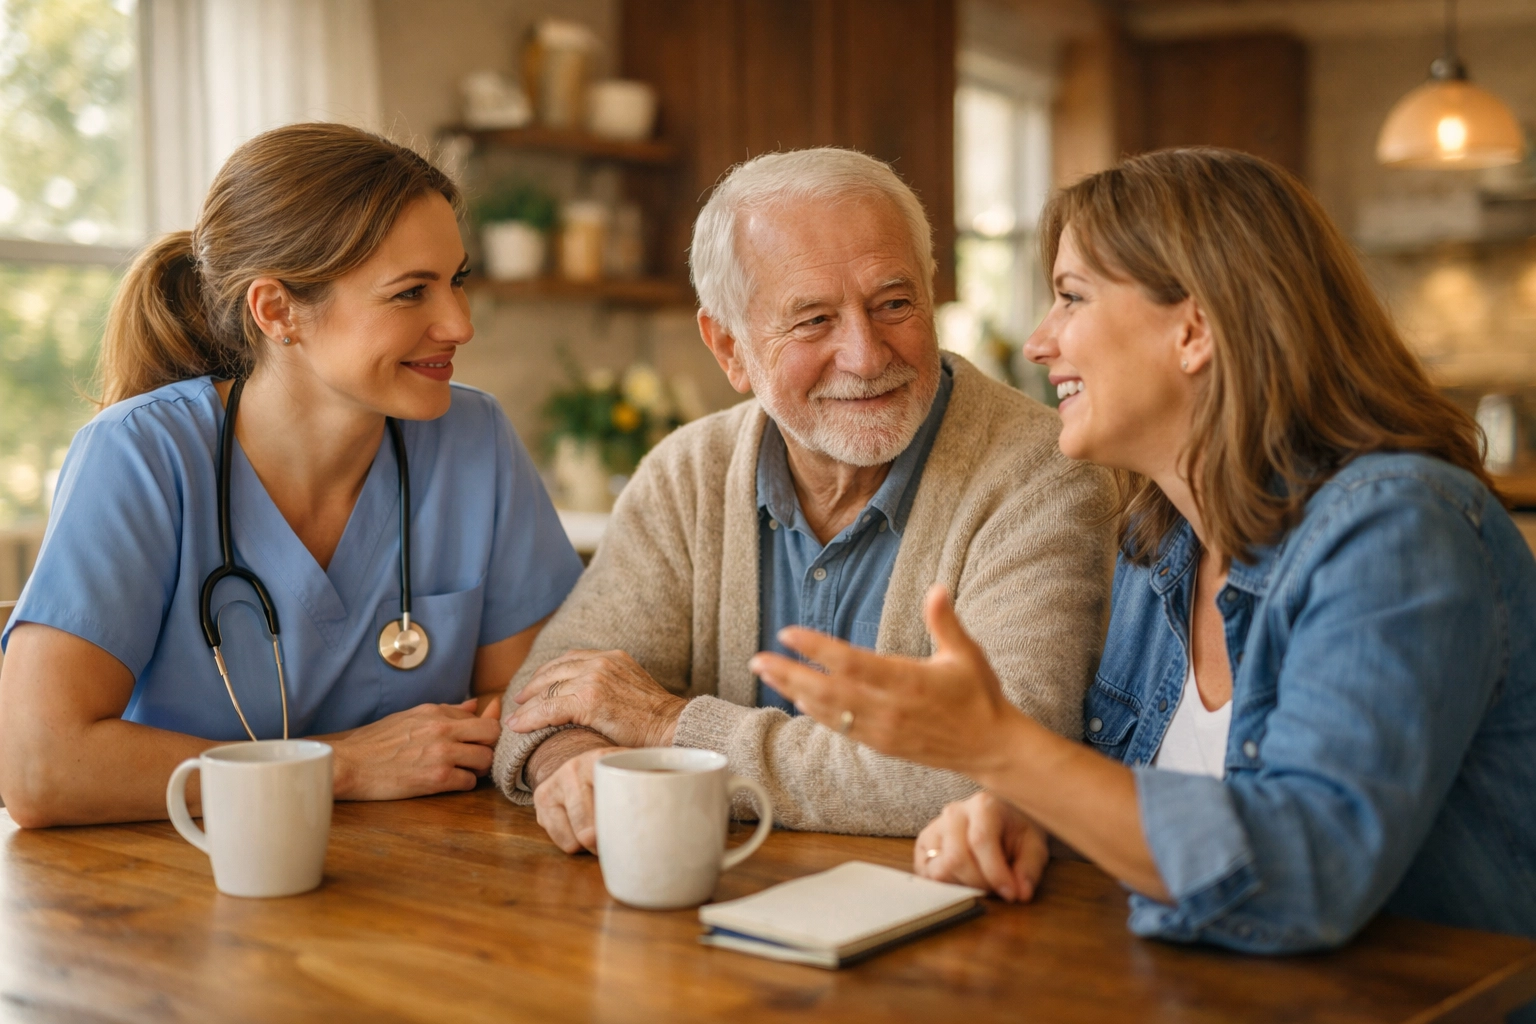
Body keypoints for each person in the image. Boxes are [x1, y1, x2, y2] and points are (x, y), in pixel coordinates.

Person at [751, 148, 1536, 953]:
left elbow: (1310, 873)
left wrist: (1001, 750)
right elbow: (1130, 800)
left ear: (1194, 327)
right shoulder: (1158, 543)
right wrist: (1026, 816)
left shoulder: (1400, 531)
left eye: (1070, 297)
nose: (1038, 342)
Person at [493, 148, 1116, 852]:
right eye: (814, 320)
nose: (867, 354)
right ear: (728, 347)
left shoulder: (1044, 474)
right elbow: (542, 702)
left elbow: (1002, 770)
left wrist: (670, 732)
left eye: (894, 304)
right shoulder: (685, 474)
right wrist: (574, 765)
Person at [0, 123, 583, 827]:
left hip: (426, 883)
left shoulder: (474, 441)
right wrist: (343, 765)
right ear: (277, 311)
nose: (458, 323)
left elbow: (533, 701)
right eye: (410, 294)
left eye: (457, 280)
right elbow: (38, 766)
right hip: (176, 890)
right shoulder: (140, 457)